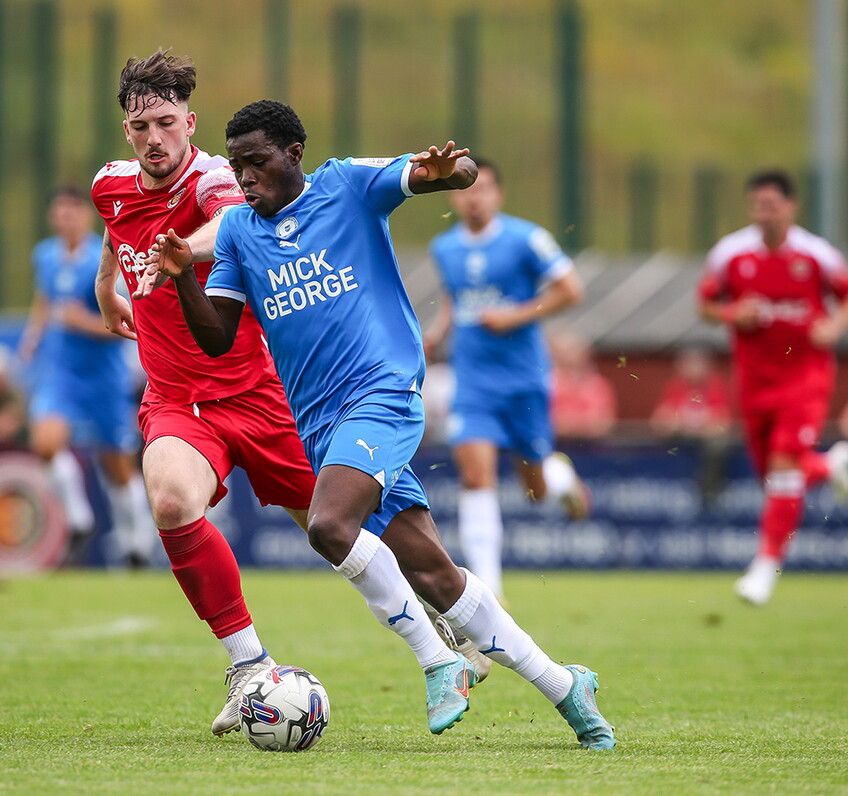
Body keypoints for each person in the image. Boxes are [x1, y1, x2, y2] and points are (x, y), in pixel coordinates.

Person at [148, 99, 616, 749]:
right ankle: (567, 687)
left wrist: (453, 173)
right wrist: (180, 280)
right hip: (321, 424)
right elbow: (218, 338)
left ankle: (437, 661)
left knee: (329, 526)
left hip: (385, 393)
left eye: (257, 163)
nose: (246, 178)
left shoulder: (345, 186)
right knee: (435, 573)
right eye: (237, 166)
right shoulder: (237, 235)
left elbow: (432, 176)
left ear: (293, 155)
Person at [90, 50, 318, 737]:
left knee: (341, 530)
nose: (154, 138)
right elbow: (117, 226)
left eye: (165, 122)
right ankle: (249, 666)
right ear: (127, 132)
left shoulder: (215, 179)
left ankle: (444, 619)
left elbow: (230, 226)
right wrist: (107, 281)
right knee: (169, 500)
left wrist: (180, 250)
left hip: (255, 390)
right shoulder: (111, 184)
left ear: (189, 122)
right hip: (176, 401)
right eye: (140, 128)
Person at [424, 160, 590, 602]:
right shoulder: (445, 247)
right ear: (454, 197)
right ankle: (488, 592)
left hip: (525, 379)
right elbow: (454, 298)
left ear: (499, 194)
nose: (473, 197)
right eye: (464, 191)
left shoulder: (526, 239)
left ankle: (558, 477)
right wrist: (438, 333)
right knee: (476, 477)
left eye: (484, 189)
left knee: (534, 490)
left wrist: (516, 315)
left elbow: (571, 289)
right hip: (473, 380)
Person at [698, 169, 848, 605]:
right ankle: (831, 467)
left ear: (790, 206)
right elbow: (705, 303)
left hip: (805, 376)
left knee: (784, 463)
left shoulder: (817, 255)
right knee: (777, 475)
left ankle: (765, 566)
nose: (764, 213)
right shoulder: (731, 254)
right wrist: (732, 314)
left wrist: (834, 326)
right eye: (757, 206)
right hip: (752, 380)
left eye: (772, 205)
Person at [19, 185, 158, 569]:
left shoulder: (105, 257)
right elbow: (45, 299)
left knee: (116, 465)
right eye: (59, 212)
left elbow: (127, 320)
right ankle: (79, 520)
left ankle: (137, 543)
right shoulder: (45, 256)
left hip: (103, 377)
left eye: (73, 212)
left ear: (85, 215)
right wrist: (33, 337)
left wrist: (84, 322)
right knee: (45, 443)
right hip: (61, 373)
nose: (66, 219)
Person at [650, 347, 732, 505]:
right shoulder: (676, 386)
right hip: (682, 439)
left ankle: (709, 495)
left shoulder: (715, 386)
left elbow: (722, 423)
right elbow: (661, 421)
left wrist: (693, 424)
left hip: (705, 442)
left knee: (718, 446)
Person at [548, 326, 617, 441]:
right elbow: (546, 422)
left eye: (574, 349)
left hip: (590, 451)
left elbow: (602, 423)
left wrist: (569, 423)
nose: (572, 354)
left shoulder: (598, 384)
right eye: (567, 350)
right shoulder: (546, 383)